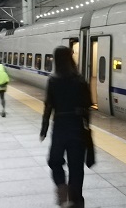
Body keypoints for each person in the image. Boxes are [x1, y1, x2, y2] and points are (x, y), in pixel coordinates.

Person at [40, 46, 92, 208]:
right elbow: (87, 106)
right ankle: (77, 201)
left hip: (60, 127)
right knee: (76, 167)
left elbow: (48, 106)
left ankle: (63, 193)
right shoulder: (80, 80)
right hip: (77, 127)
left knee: (55, 161)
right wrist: (87, 130)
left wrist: (44, 128)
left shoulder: (53, 80)